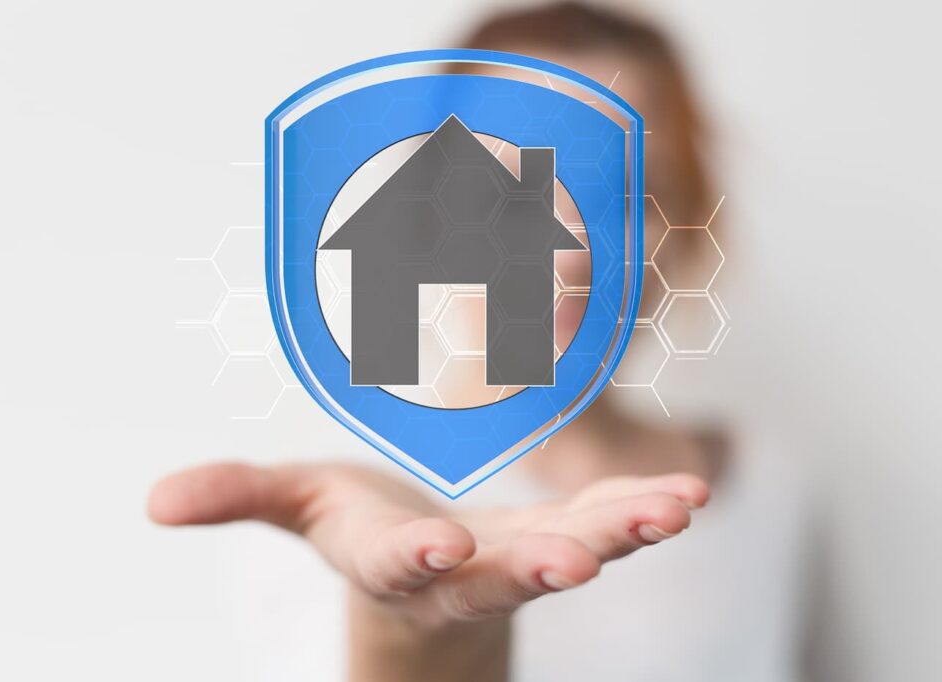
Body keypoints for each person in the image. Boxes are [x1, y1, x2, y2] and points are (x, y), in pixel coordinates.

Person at [149, 4, 816, 680]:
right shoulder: (334, 513)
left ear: (690, 221)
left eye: (625, 192)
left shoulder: (767, 481)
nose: (568, 254)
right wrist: (412, 623)